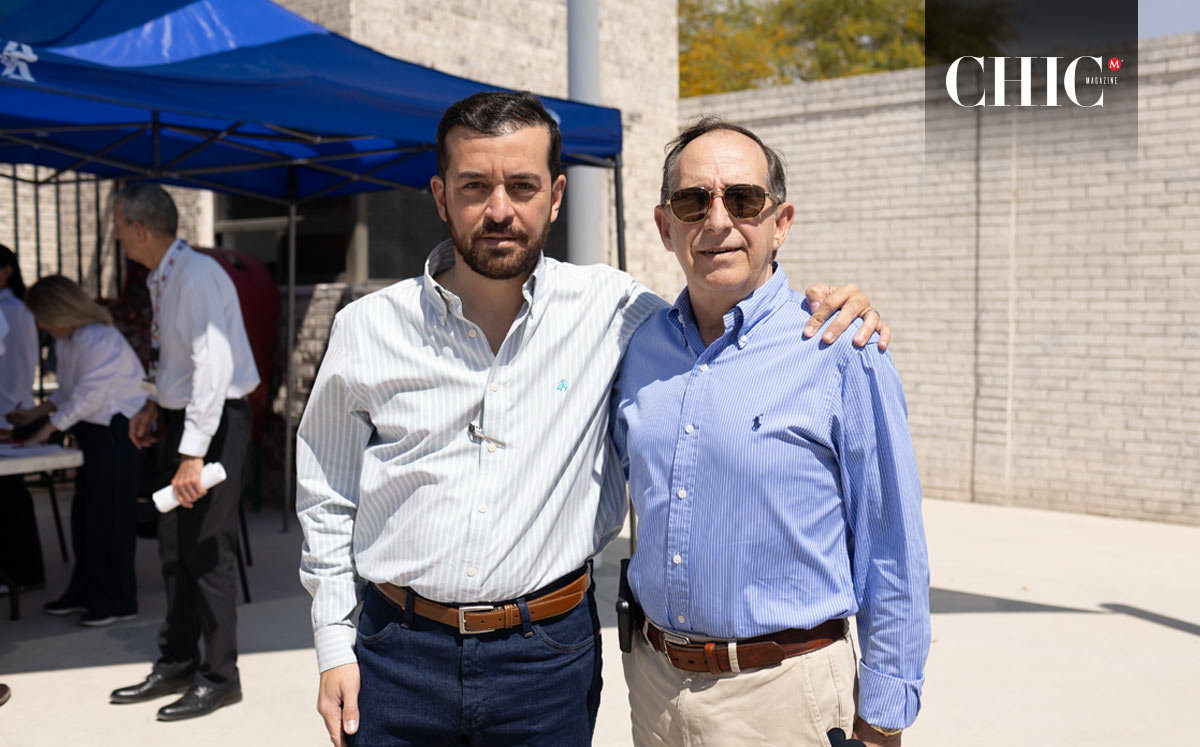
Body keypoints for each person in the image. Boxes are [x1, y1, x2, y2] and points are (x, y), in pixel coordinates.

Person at [296, 91, 889, 747]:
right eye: (475, 186)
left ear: (555, 197)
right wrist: (333, 643)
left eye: (522, 186)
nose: (500, 209)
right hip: (395, 655)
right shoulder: (367, 330)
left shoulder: (616, 312)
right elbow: (326, 494)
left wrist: (834, 305)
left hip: (547, 663)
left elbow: (725, 310)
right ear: (441, 196)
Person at [612, 118, 930, 747]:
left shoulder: (840, 348)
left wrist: (884, 716)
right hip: (654, 690)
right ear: (665, 226)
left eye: (743, 199)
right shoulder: (636, 347)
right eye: (693, 201)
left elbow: (891, 543)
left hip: (785, 699)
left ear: (780, 222)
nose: (718, 220)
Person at [106, 183, 260, 721]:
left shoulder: (195, 276)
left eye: (118, 226)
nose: (116, 236)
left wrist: (193, 453)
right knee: (174, 547)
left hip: (214, 423)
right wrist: (155, 403)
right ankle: (177, 660)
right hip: (186, 420)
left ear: (139, 228)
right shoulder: (164, 275)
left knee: (207, 550)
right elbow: (176, 360)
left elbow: (213, 367)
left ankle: (220, 677)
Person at [9, 275, 147, 626]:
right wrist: (34, 415)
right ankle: (85, 590)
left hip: (115, 434)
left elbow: (88, 396)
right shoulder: (70, 340)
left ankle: (118, 600)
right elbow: (67, 392)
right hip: (95, 434)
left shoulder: (99, 338)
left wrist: (45, 431)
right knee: (86, 518)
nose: (42, 327)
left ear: (61, 311)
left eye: (44, 319)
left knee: (109, 520)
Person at [0, 244, 46, 595]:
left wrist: (7, 417)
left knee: (10, 498)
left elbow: (15, 370)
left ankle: (21, 573)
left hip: (10, 414)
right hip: (11, 411)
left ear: (6, 271)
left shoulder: (13, 310)